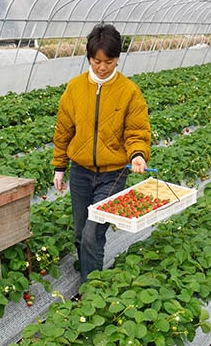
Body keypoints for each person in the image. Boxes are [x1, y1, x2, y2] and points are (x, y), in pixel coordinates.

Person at [52, 23, 152, 283]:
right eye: (97, 61)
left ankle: (90, 289)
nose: (103, 67)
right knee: (79, 232)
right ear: (89, 58)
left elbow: (137, 130)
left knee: (92, 234)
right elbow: (64, 130)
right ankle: (88, 268)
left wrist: (138, 154)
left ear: (117, 59)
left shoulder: (129, 92)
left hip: (113, 175)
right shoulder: (74, 89)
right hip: (81, 172)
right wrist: (59, 167)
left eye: (109, 61)